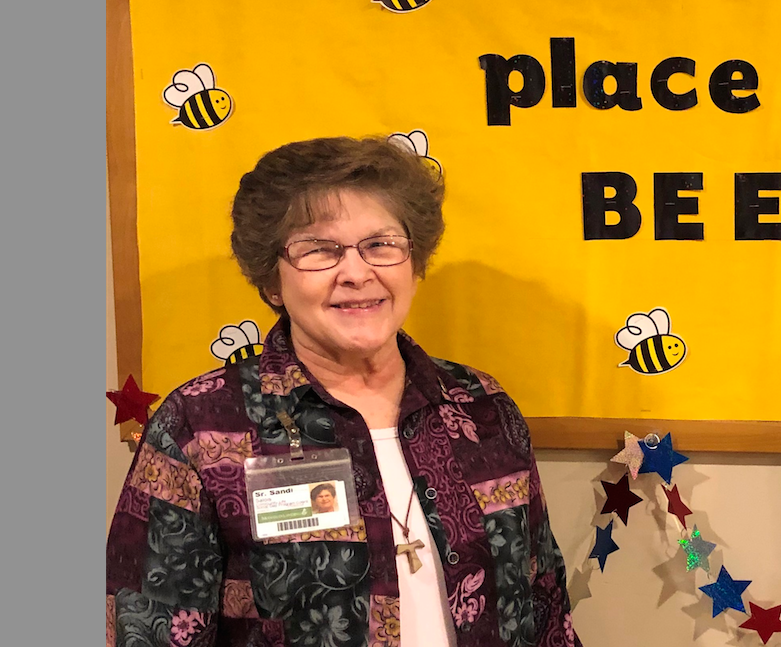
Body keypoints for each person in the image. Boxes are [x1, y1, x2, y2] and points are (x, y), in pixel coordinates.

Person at [106, 136, 580, 647]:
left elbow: (546, 605)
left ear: (413, 263)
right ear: (272, 280)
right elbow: (148, 628)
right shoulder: (200, 426)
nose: (356, 273)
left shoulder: (481, 407)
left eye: (381, 244)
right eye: (318, 250)